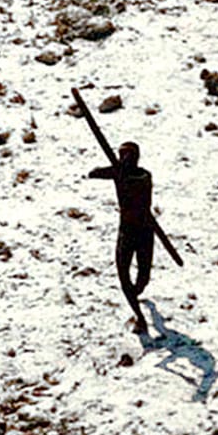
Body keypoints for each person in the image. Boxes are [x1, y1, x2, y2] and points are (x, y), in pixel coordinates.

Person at [87, 141, 155, 335]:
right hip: (126, 231)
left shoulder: (143, 176)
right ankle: (139, 316)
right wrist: (112, 170)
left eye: (127, 156)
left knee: (143, 278)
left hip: (144, 231)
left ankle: (135, 294)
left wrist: (117, 171)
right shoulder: (119, 173)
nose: (123, 159)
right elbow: (94, 173)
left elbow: (134, 184)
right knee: (123, 274)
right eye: (121, 155)